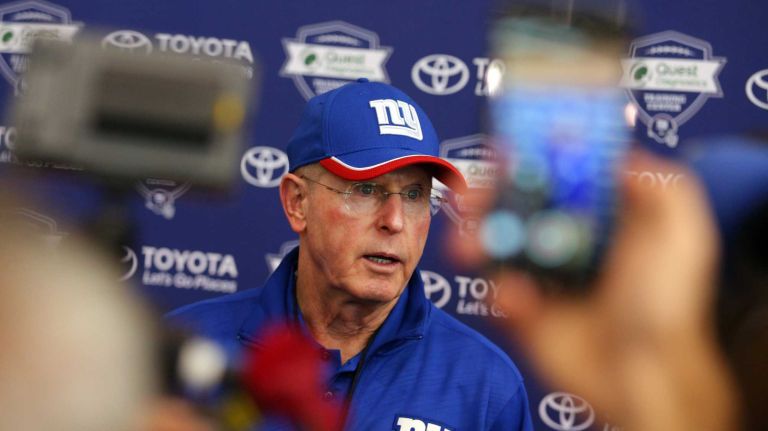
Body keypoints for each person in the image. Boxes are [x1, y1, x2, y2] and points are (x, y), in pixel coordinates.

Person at [168, 78, 534, 430]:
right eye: (366, 190)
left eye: (414, 195)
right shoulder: (186, 353)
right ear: (298, 203)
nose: (394, 221)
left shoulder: (487, 387)